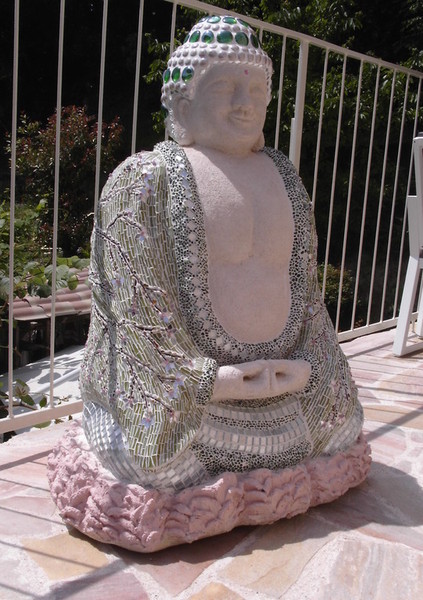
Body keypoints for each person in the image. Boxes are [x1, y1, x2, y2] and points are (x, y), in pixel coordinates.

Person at [79, 15, 364, 492]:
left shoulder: (285, 176)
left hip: (285, 382)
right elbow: (136, 314)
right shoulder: (144, 179)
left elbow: (308, 297)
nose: (243, 104)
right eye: (224, 88)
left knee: (344, 427)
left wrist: (309, 368)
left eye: (256, 91)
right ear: (182, 104)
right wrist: (212, 382)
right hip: (189, 394)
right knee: (157, 466)